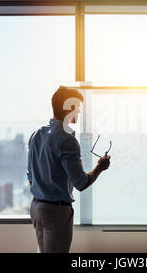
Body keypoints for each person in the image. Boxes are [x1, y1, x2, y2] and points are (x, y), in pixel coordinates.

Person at [27, 86, 111, 253]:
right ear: (70, 108)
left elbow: (31, 176)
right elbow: (80, 183)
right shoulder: (66, 140)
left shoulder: (37, 135)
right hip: (56, 212)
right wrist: (99, 168)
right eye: (78, 108)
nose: (79, 112)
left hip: (37, 208)